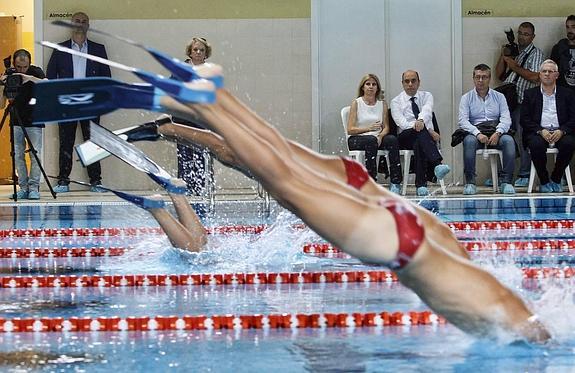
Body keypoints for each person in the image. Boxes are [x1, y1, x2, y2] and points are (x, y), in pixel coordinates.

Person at [124, 64, 550, 342]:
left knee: (278, 162)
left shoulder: (492, 289)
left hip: (382, 201)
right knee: (280, 178)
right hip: (395, 239)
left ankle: (186, 116)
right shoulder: (513, 318)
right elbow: (535, 335)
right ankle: (206, 104)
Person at [46, 11, 111, 193]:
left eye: (84, 21)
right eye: (77, 21)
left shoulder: (98, 49)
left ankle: (96, 181)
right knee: (66, 143)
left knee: (93, 143)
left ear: (88, 25)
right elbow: (51, 77)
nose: (80, 24)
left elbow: (106, 78)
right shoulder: (60, 49)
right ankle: (63, 182)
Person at [495, 22, 544, 188]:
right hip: (507, 101)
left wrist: (514, 66)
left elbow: (535, 77)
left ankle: (524, 174)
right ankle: (504, 175)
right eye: (520, 33)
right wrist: (505, 57)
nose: (522, 36)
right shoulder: (514, 51)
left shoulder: (536, 54)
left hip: (524, 102)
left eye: (526, 34)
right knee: (503, 136)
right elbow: (499, 75)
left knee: (523, 138)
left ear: (533, 37)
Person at [457, 64, 515, 195]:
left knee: (509, 141)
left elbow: (506, 119)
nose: (481, 80)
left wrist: (498, 132)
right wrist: (478, 134)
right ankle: (470, 182)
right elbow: (463, 121)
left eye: (484, 77)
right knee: (469, 142)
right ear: (473, 78)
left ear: (489, 79)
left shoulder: (499, 97)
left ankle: (506, 181)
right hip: (475, 132)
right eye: (478, 77)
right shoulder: (466, 98)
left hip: (496, 131)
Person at [389, 70, 450, 196]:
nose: (410, 84)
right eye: (407, 81)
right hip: (404, 138)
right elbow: (402, 123)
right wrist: (426, 128)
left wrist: (421, 121)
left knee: (419, 142)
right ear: (402, 83)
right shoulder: (396, 102)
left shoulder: (427, 96)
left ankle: (421, 186)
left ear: (419, 82)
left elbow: (427, 111)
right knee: (420, 132)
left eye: (413, 80)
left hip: (420, 138)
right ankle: (437, 164)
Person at [520, 59, 575, 192]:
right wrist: (540, 130)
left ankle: (556, 178)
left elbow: (574, 118)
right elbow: (524, 119)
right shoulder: (530, 94)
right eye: (544, 71)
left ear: (557, 75)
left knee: (569, 143)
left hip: (561, 131)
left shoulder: (567, 93)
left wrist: (562, 131)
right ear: (539, 74)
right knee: (536, 145)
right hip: (538, 132)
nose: (547, 74)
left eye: (551, 71)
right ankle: (544, 181)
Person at [0, 49, 47, 200]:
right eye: (19, 67)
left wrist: (28, 77)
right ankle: (23, 188)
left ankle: (34, 188)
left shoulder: (35, 72)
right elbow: (1, 105)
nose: (21, 70)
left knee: (36, 155)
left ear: (29, 63)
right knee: (18, 155)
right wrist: (2, 85)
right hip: (16, 120)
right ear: (14, 64)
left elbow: (48, 84)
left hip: (35, 120)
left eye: (24, 67)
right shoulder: (10, 75)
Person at [171, 37, 214, 196]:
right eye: (195, 49)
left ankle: (201, 187)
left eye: (201, 50)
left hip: (201, 118)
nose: (198, 52)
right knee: (184, 153)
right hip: (183, 117)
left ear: (206, 53)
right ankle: (184, 187)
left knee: (201, 153)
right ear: (190, 51)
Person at [346, 74, 402, 193]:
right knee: (371, 140)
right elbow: (350, 129)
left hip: (377, 138)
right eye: (368, 84)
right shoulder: (356, 103)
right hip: (358, 138)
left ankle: (396, 182)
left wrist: (381, 136)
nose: (371, 87)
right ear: (363, 87)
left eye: (374, 84)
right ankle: (371, 182)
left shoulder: (382, 104)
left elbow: (386, 127)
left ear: (377, 87)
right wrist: (368, 128)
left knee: (392, 139)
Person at [550, 15, 575, 93]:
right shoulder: (558, 48)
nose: (570, 30)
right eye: (567, 27)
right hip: (563, 93)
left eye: (573, 27)